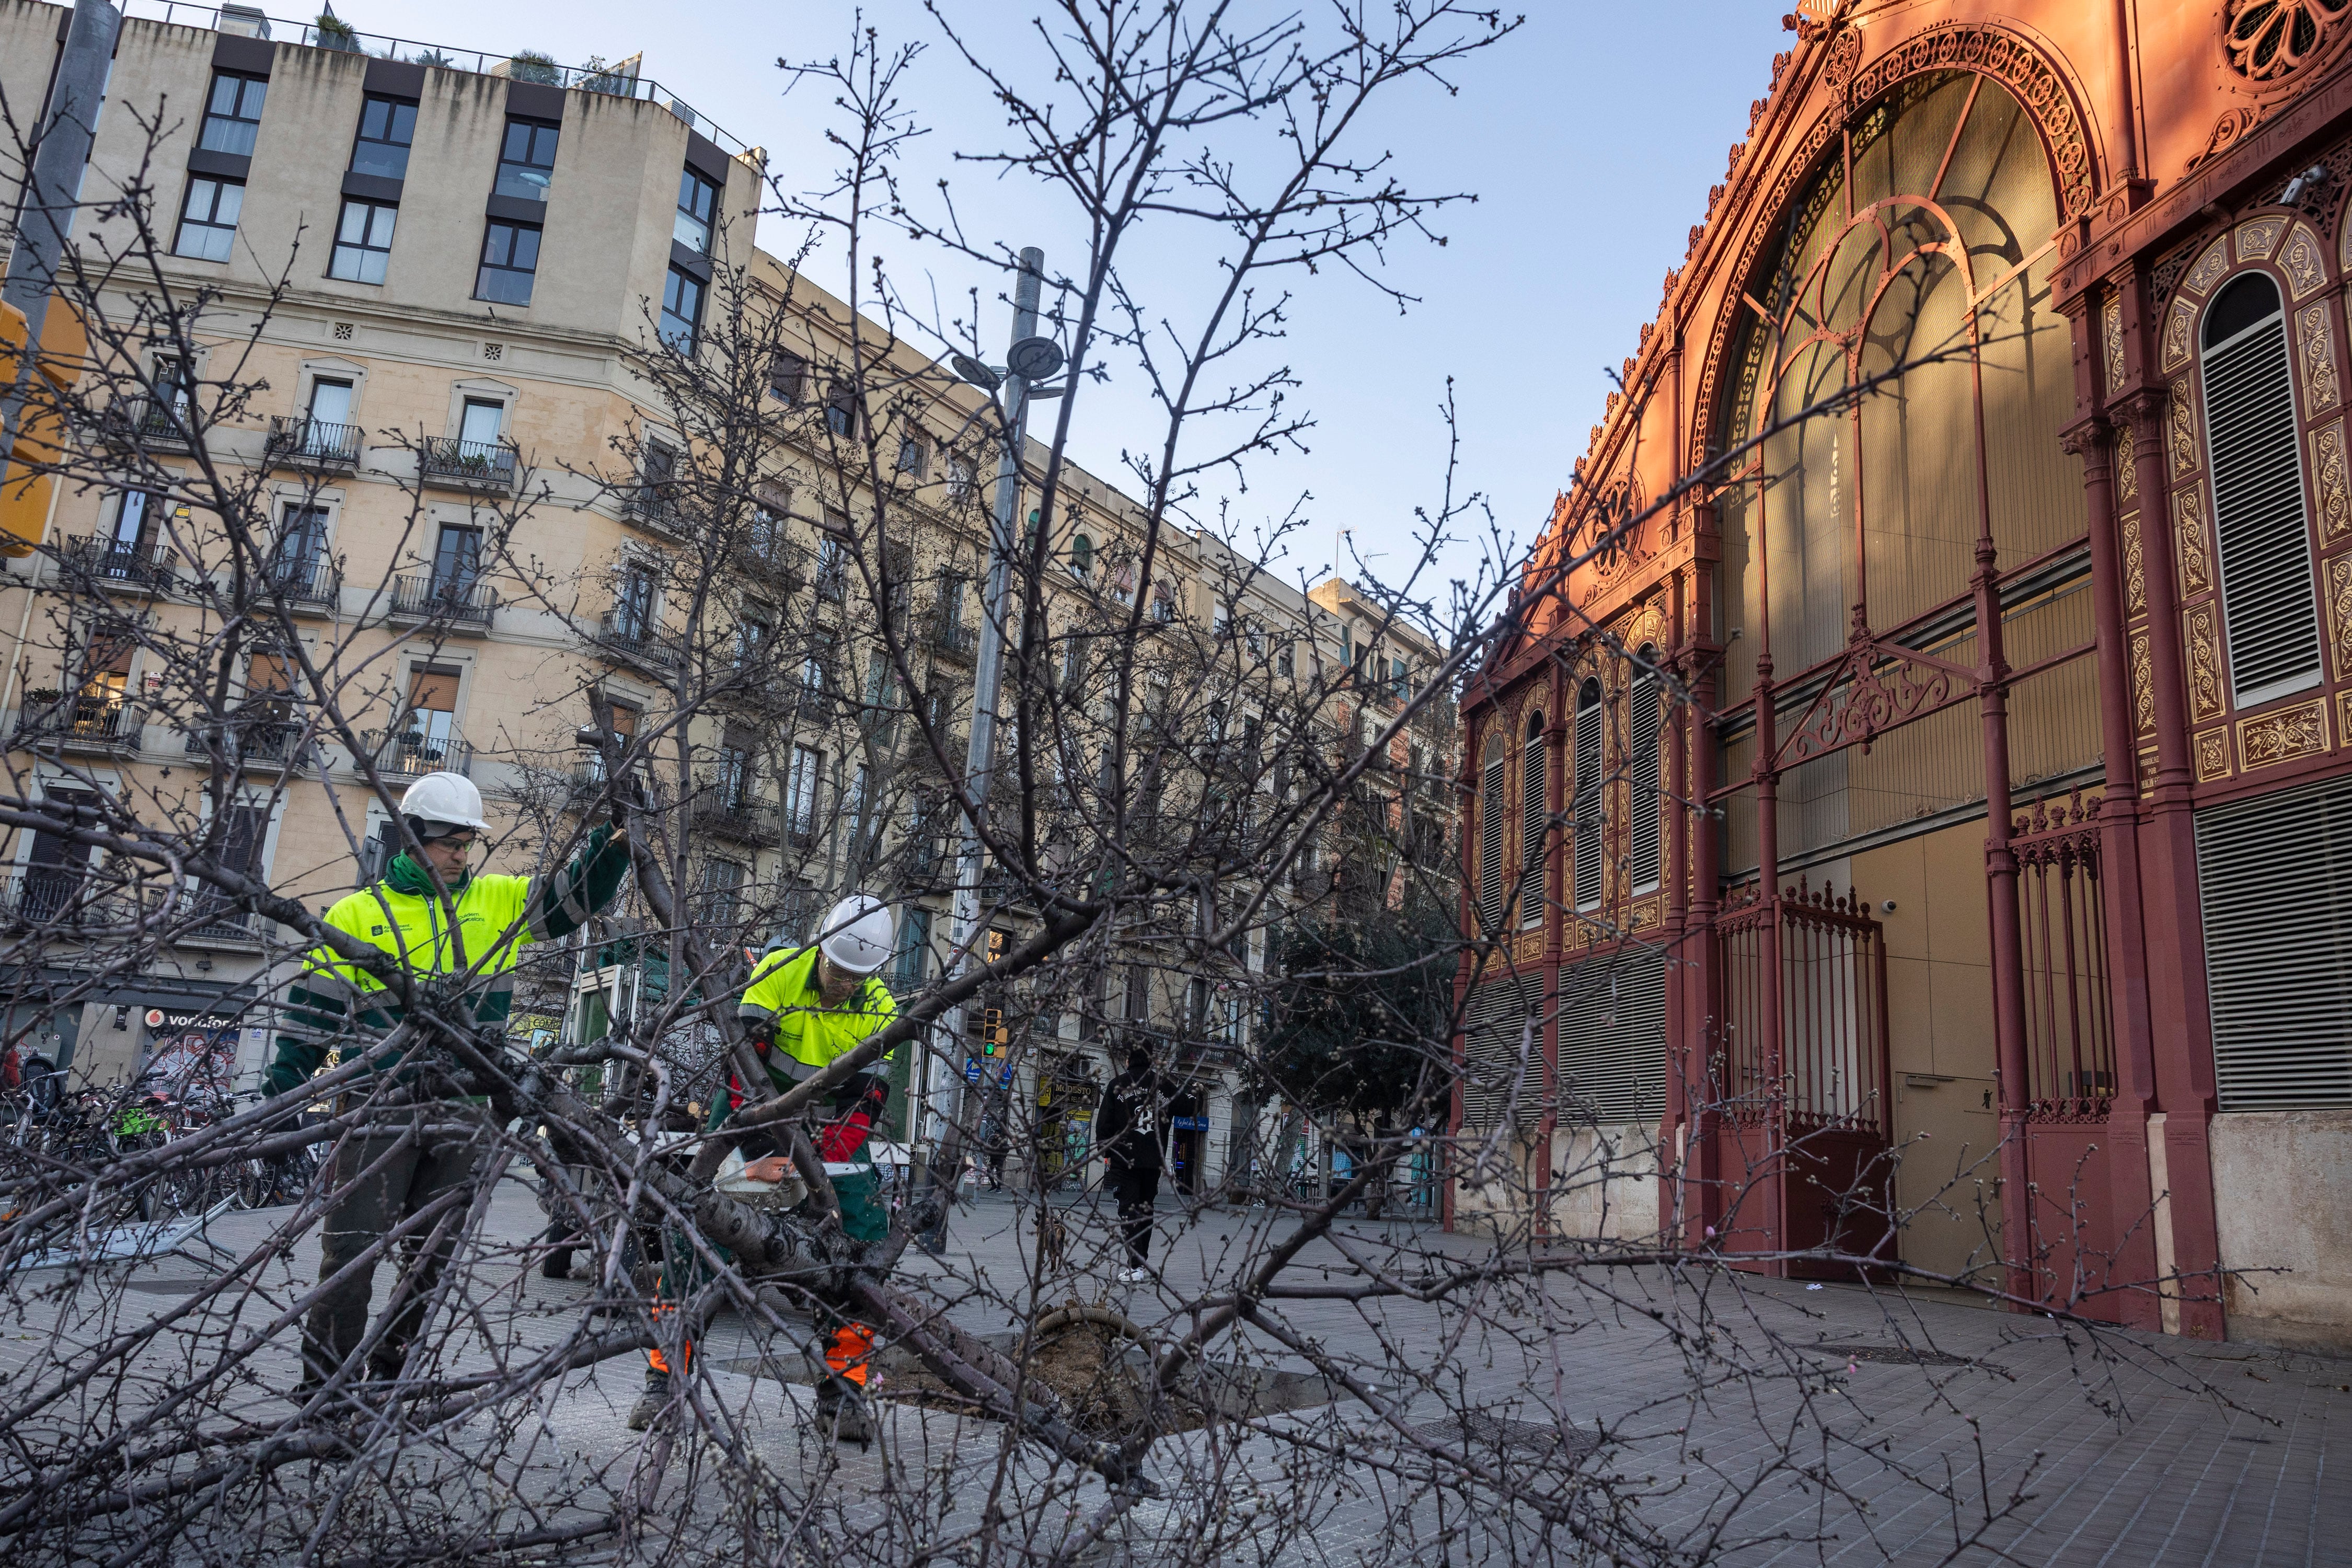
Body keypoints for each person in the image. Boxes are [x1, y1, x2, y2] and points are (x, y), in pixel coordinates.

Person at [267, 771, 630, 1397]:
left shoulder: (497, 900)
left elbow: (572, 901)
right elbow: (309, 1021)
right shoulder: (357, 915)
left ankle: (387, 1382)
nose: (461, 853)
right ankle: (321, 1392)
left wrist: (614, 842)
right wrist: (281, 1100)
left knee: (431, 1266)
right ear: (410, 840)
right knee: (349, 1262)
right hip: (376, 1112)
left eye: (467, 841)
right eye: (448, 841)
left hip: (464, 1112)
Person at [629, 893, 899, 1441]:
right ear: (821, 946)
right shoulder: (776, 975)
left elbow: (864, 1108)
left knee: (864, 1238)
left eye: (855, 976)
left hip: (830, 1138)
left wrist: (819, 1177)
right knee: (696, 1231)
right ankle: (664, 1382)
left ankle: (843, 1391)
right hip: (748, 1120)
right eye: (837, 970)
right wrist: (762, 1162)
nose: (843, 983)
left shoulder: (882, 1012)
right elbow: (742, 1076)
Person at [1096, 1045, 1165, 1284]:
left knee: (1128, 1210)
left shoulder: (1117, 1084)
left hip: (1124, 1160)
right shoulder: (1162, 1084)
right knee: (1145, 1211)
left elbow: (1104, 1122)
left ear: (1128, 1060)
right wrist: (1193, 1093)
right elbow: (1188, 1105)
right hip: (1154, 1161)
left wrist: (1105, 1149)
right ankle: (1140, 1263)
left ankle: (1135, 1266)